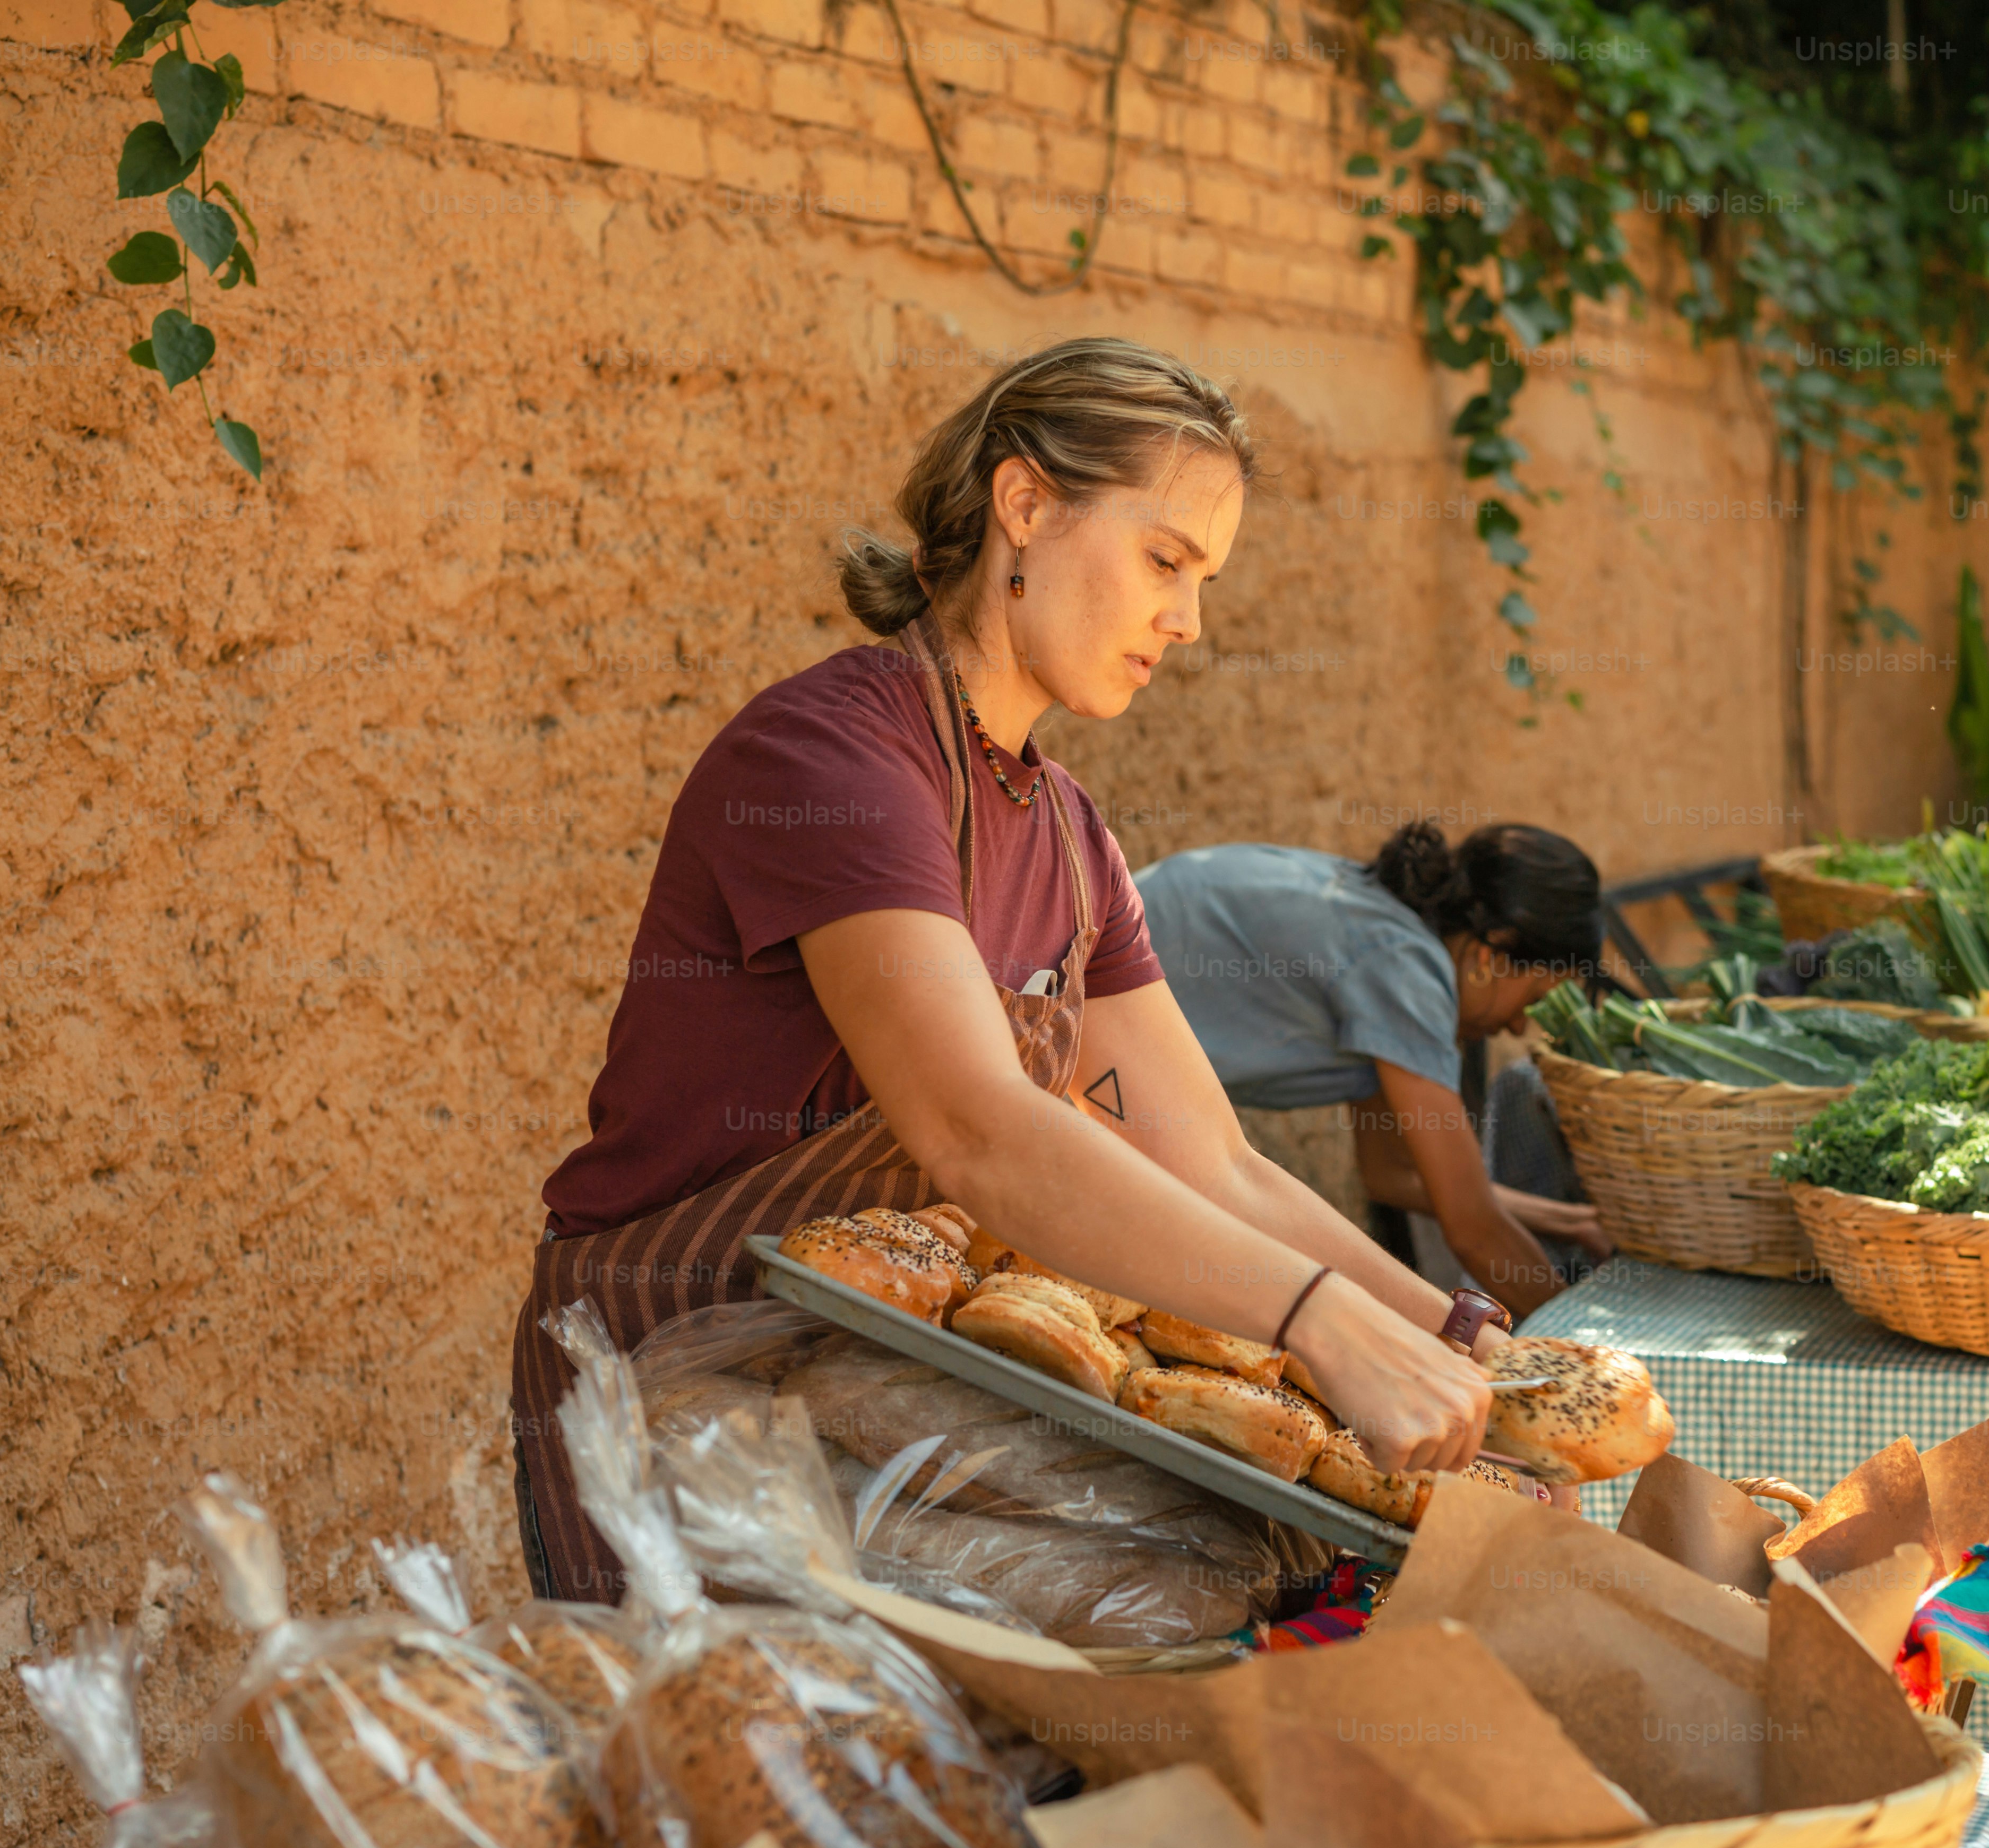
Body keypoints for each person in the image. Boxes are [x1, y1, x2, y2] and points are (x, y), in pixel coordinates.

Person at [511, 339, 1511, 1604]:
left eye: (1203, 580)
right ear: (1023, 505)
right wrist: (1313, 1317)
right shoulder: (829, 762)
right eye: (1164, 560)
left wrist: (1456, 1341)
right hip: (674, 1388)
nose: (1187, 620)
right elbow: (976, 1127)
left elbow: (1211, 1160)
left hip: (867, 1390)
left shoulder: (1073, 837)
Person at [1137, 823, 1614, 1318]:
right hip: (1077, 1032)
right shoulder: (1408, 971)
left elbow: (1392, 1177)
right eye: (1532, 999)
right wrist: (1586, 1345)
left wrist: (1573, 1222)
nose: (1519, 1028)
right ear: (1487, 955)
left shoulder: (1396, 938)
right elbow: (1473, 1228)